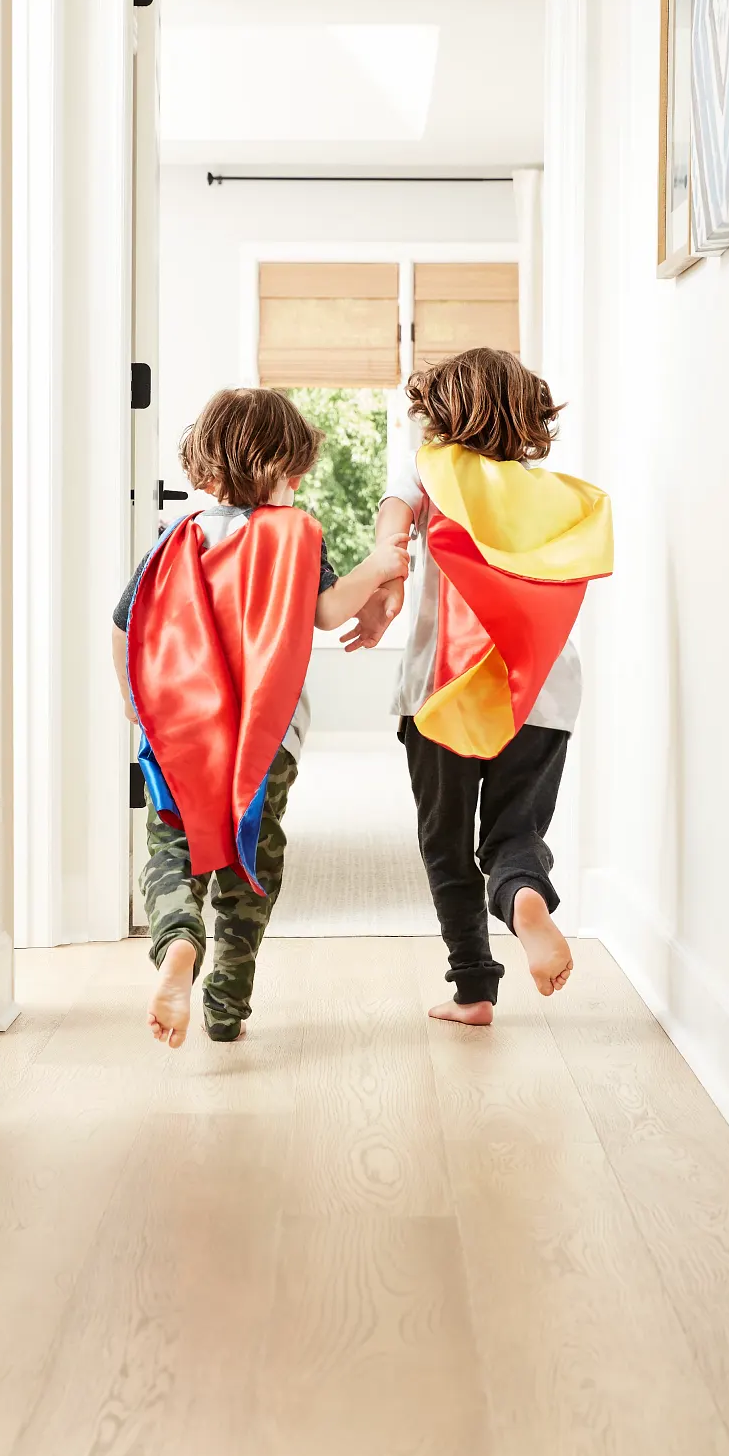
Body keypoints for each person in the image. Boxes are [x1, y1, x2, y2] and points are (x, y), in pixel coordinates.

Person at [112, 387, 408, 1049]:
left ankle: (178, 943)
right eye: (293, 469)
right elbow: (329, 613)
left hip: (178, 734)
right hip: (265, 743)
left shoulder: (176, 540)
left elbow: (125, 627)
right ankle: (226, 1003)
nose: (300, 482)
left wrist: (135, 706)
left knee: (173, 850)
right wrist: (380, 567)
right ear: (269, 469)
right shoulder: (296, 539)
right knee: (252, 860)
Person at [344, 348, 612, 1026]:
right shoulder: (552, 496)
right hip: (545, 692)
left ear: (440, 413)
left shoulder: (429, 470)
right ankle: (525, 897)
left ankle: (474, 989)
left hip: (445, 693)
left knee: (446, 841)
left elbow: (390, 537)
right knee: (515, 828)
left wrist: (386, 589)